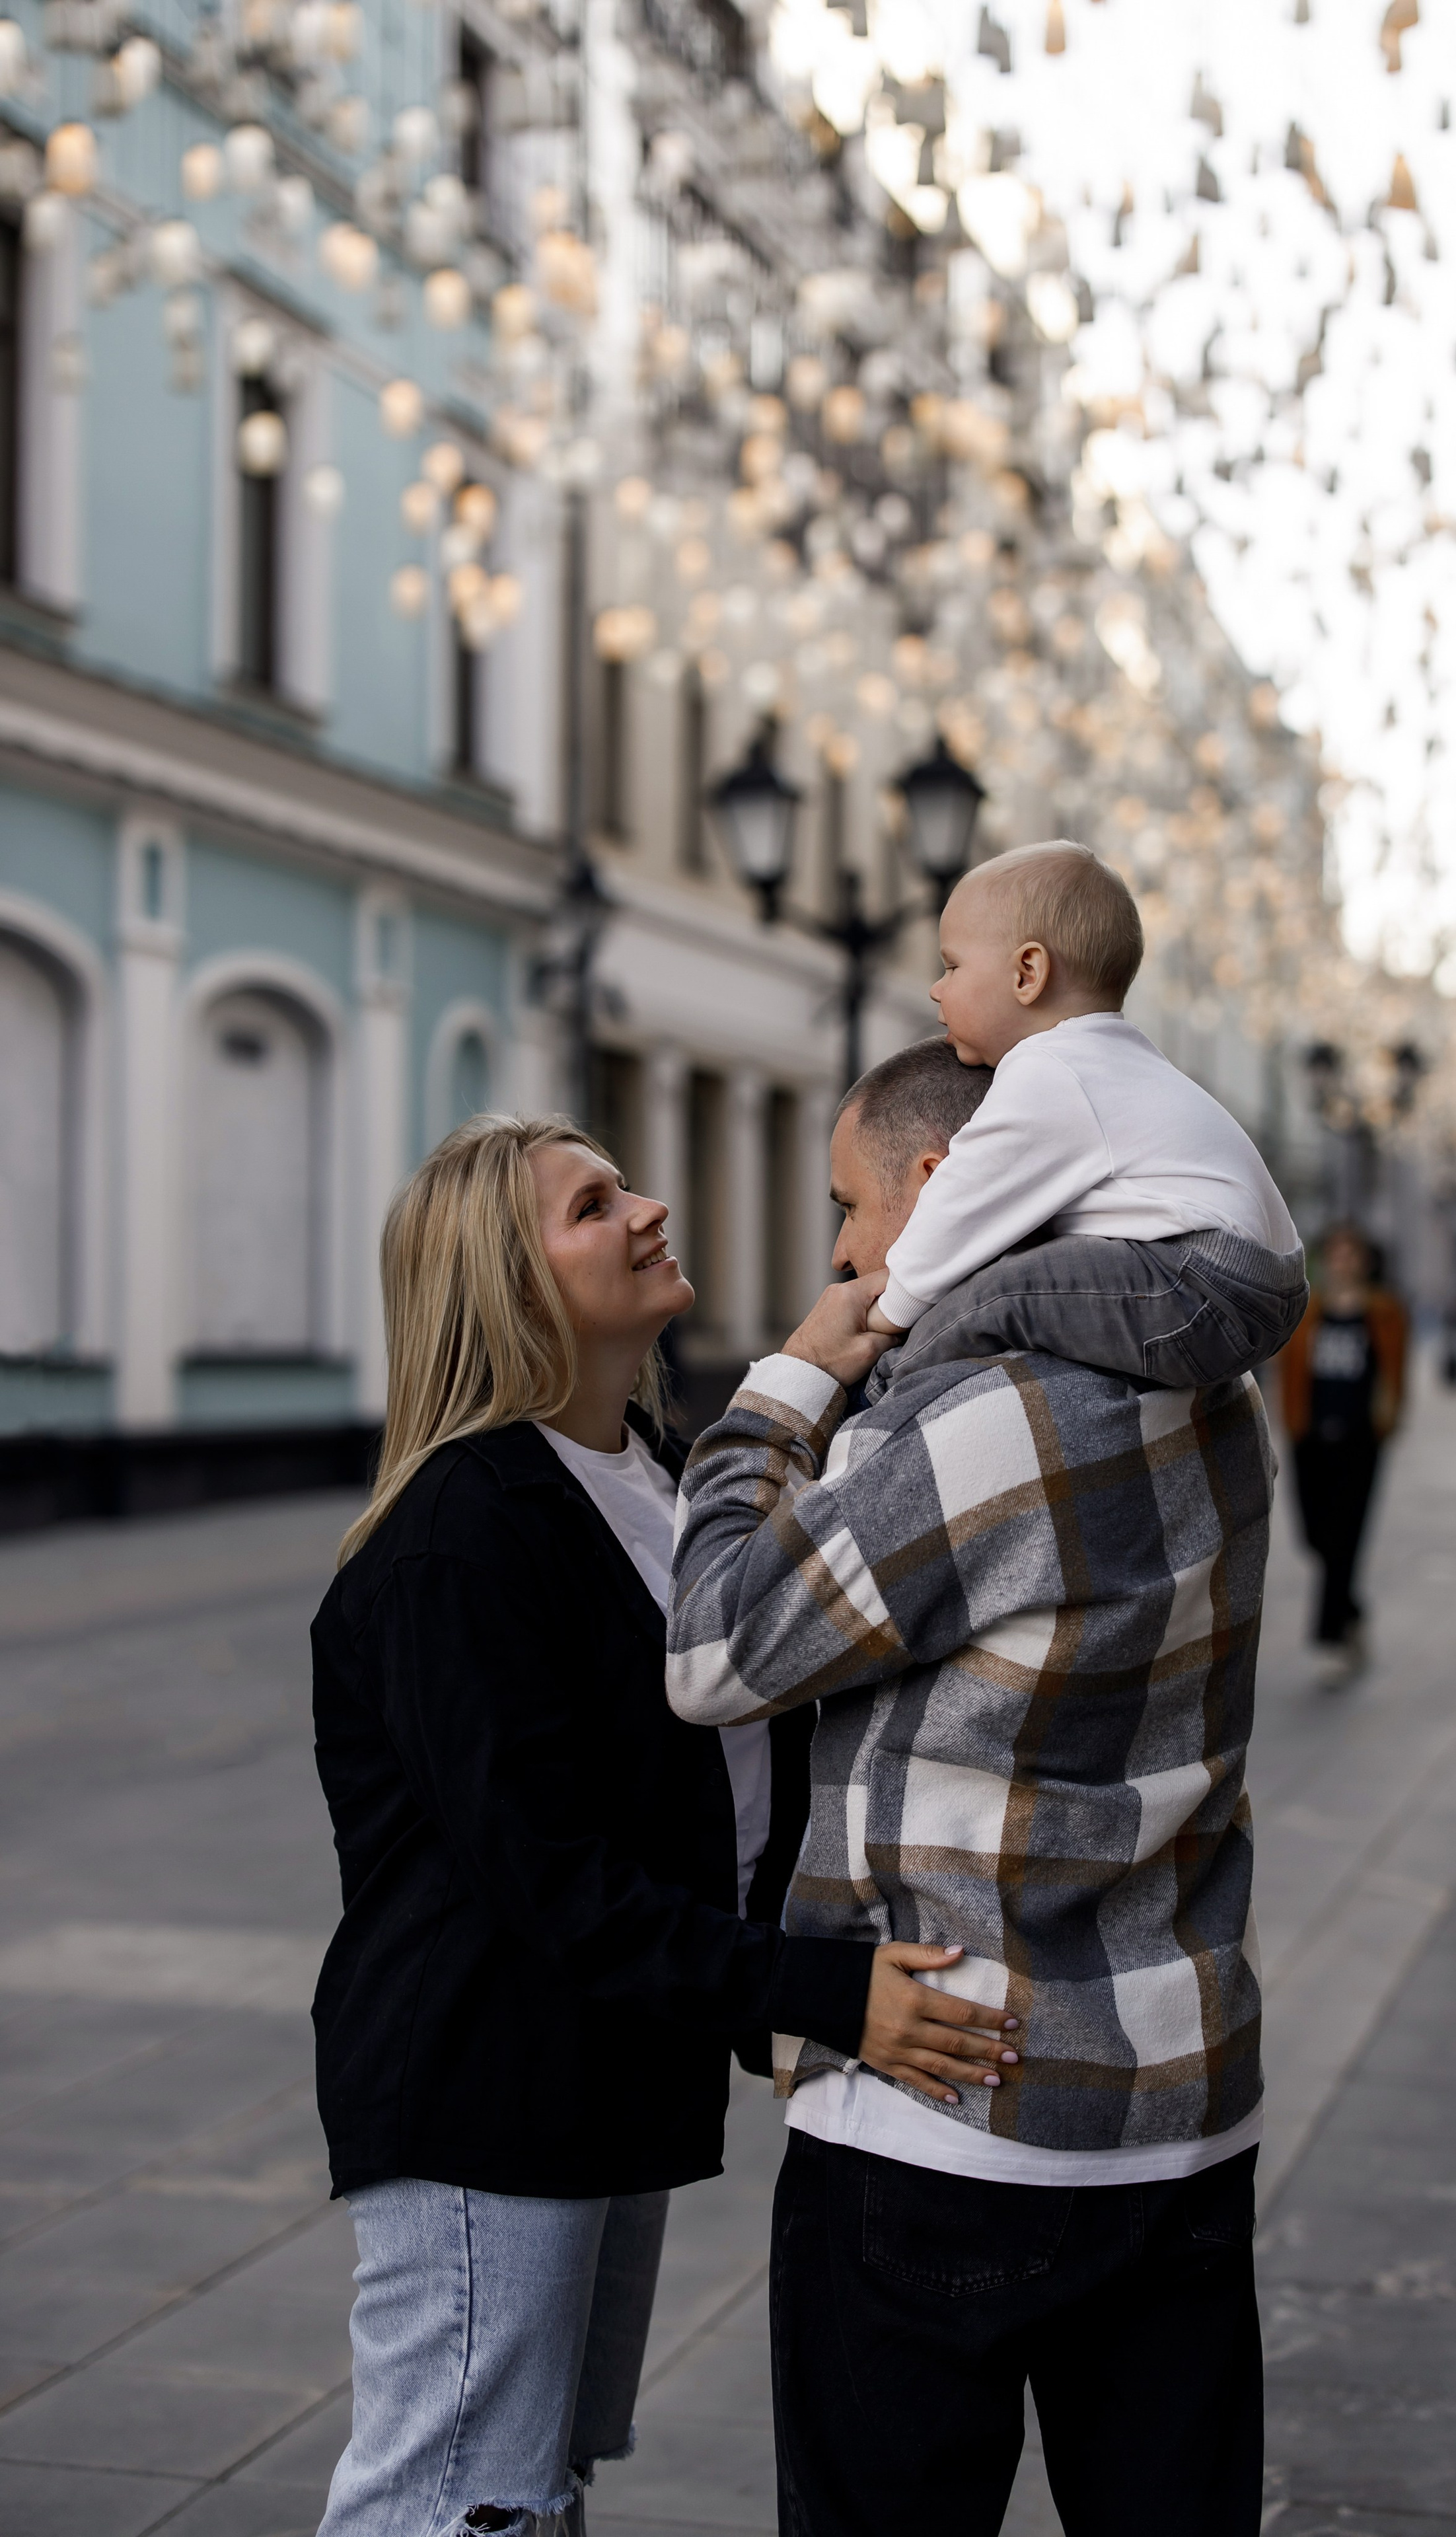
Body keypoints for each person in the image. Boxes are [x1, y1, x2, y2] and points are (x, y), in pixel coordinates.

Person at [309, 1113, 1011, 2537]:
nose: (644, 1208)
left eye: (621, 1184)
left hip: (593, 2064)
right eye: (589, 1206)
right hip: (480, 2088)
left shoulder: (648, 1470)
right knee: (456, 2493)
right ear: (508, 1283)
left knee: (535, 2474)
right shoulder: (463, 1531)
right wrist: (812, 1995)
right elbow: (549, 1879)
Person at [668, 1039, 1276, 2537]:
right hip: (1174, 2110)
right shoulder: (1221, 1409)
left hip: (946, 2116)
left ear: (935, 1186)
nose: (838, 1247)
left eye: (845, 1201)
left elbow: (713, 1653)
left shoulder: (969, 1426)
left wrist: (782, 1388)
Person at [863, 838, 1305, 1379]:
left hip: (1203, 1282)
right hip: (1272, 1283)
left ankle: (885, 1388)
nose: (936, 989)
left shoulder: (1051, 1068)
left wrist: (889, 1311)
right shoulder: (1117, 1057)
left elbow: (961, 1198)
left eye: (952, 967)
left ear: (1028, 973)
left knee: (1002, 1294)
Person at [1278, 1222, 1410, 1682]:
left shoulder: (1385, 1312)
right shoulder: (1308, 1311)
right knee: (1315, 1536)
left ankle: (1331, 1640)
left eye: (1351, 1254)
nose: (1343, 1262)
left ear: (1366, 1261)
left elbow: (1395, 1373)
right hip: (1309, 1437)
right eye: (1336, 1254)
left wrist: (1388, 1420)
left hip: (1360, 1442)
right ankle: (1352, 1613)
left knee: (1345, 1540)